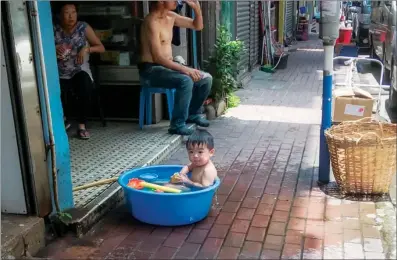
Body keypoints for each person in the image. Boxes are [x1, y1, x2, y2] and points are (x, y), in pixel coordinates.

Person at [139, 0, 212, 136]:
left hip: (168, 68)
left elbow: (197, 26)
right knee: (185, 80)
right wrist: (185, 70)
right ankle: (177, 125)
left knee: (206, 79)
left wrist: (197, 8)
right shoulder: (151, 22)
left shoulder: (171, 16)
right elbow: (158, 58)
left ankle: (192, 113)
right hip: (151, 70)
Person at [54, 2, 105, 139]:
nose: (71, 16)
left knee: (85, 86)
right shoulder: (53, 29)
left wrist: (86, 49)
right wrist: (54, 49)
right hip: (58, 72)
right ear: (59, 15)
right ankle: (62, 121)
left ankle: (82, 126)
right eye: (67, 13)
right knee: (54, 90)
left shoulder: (83, 27)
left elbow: (101, 47)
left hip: (79, 69)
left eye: (73, 12)